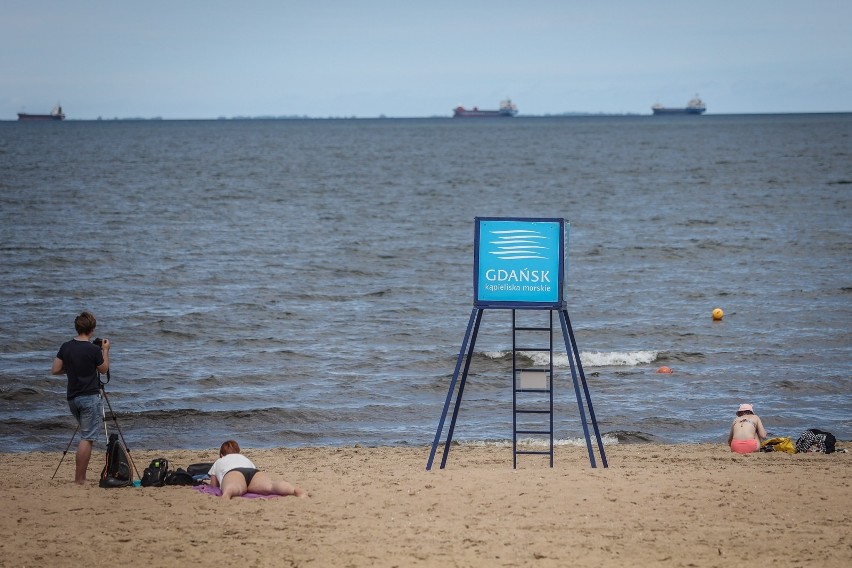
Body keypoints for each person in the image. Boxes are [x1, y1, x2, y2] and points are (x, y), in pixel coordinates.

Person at [50, 311, 110, 484]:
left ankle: (80, 478)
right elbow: (104, 369)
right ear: (92, 329)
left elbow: (55, 370)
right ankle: (80, 479)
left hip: (72, 398)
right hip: (89, 398)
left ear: (77, 327)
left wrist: (71, 368)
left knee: (85, 433)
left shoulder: (66, 346)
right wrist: (105, 351)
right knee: (87, 437)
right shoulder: (92, 349)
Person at [208, 440, 308, 500]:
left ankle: (226, 496)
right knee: (271, 486)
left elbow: (213, 485)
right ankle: (294, 490)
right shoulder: (244, 458)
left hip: (234, 472)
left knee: (233, 487)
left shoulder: (219, 461)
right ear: (238, 452)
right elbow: (252, 469)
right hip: (253, 472)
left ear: (222, 455)